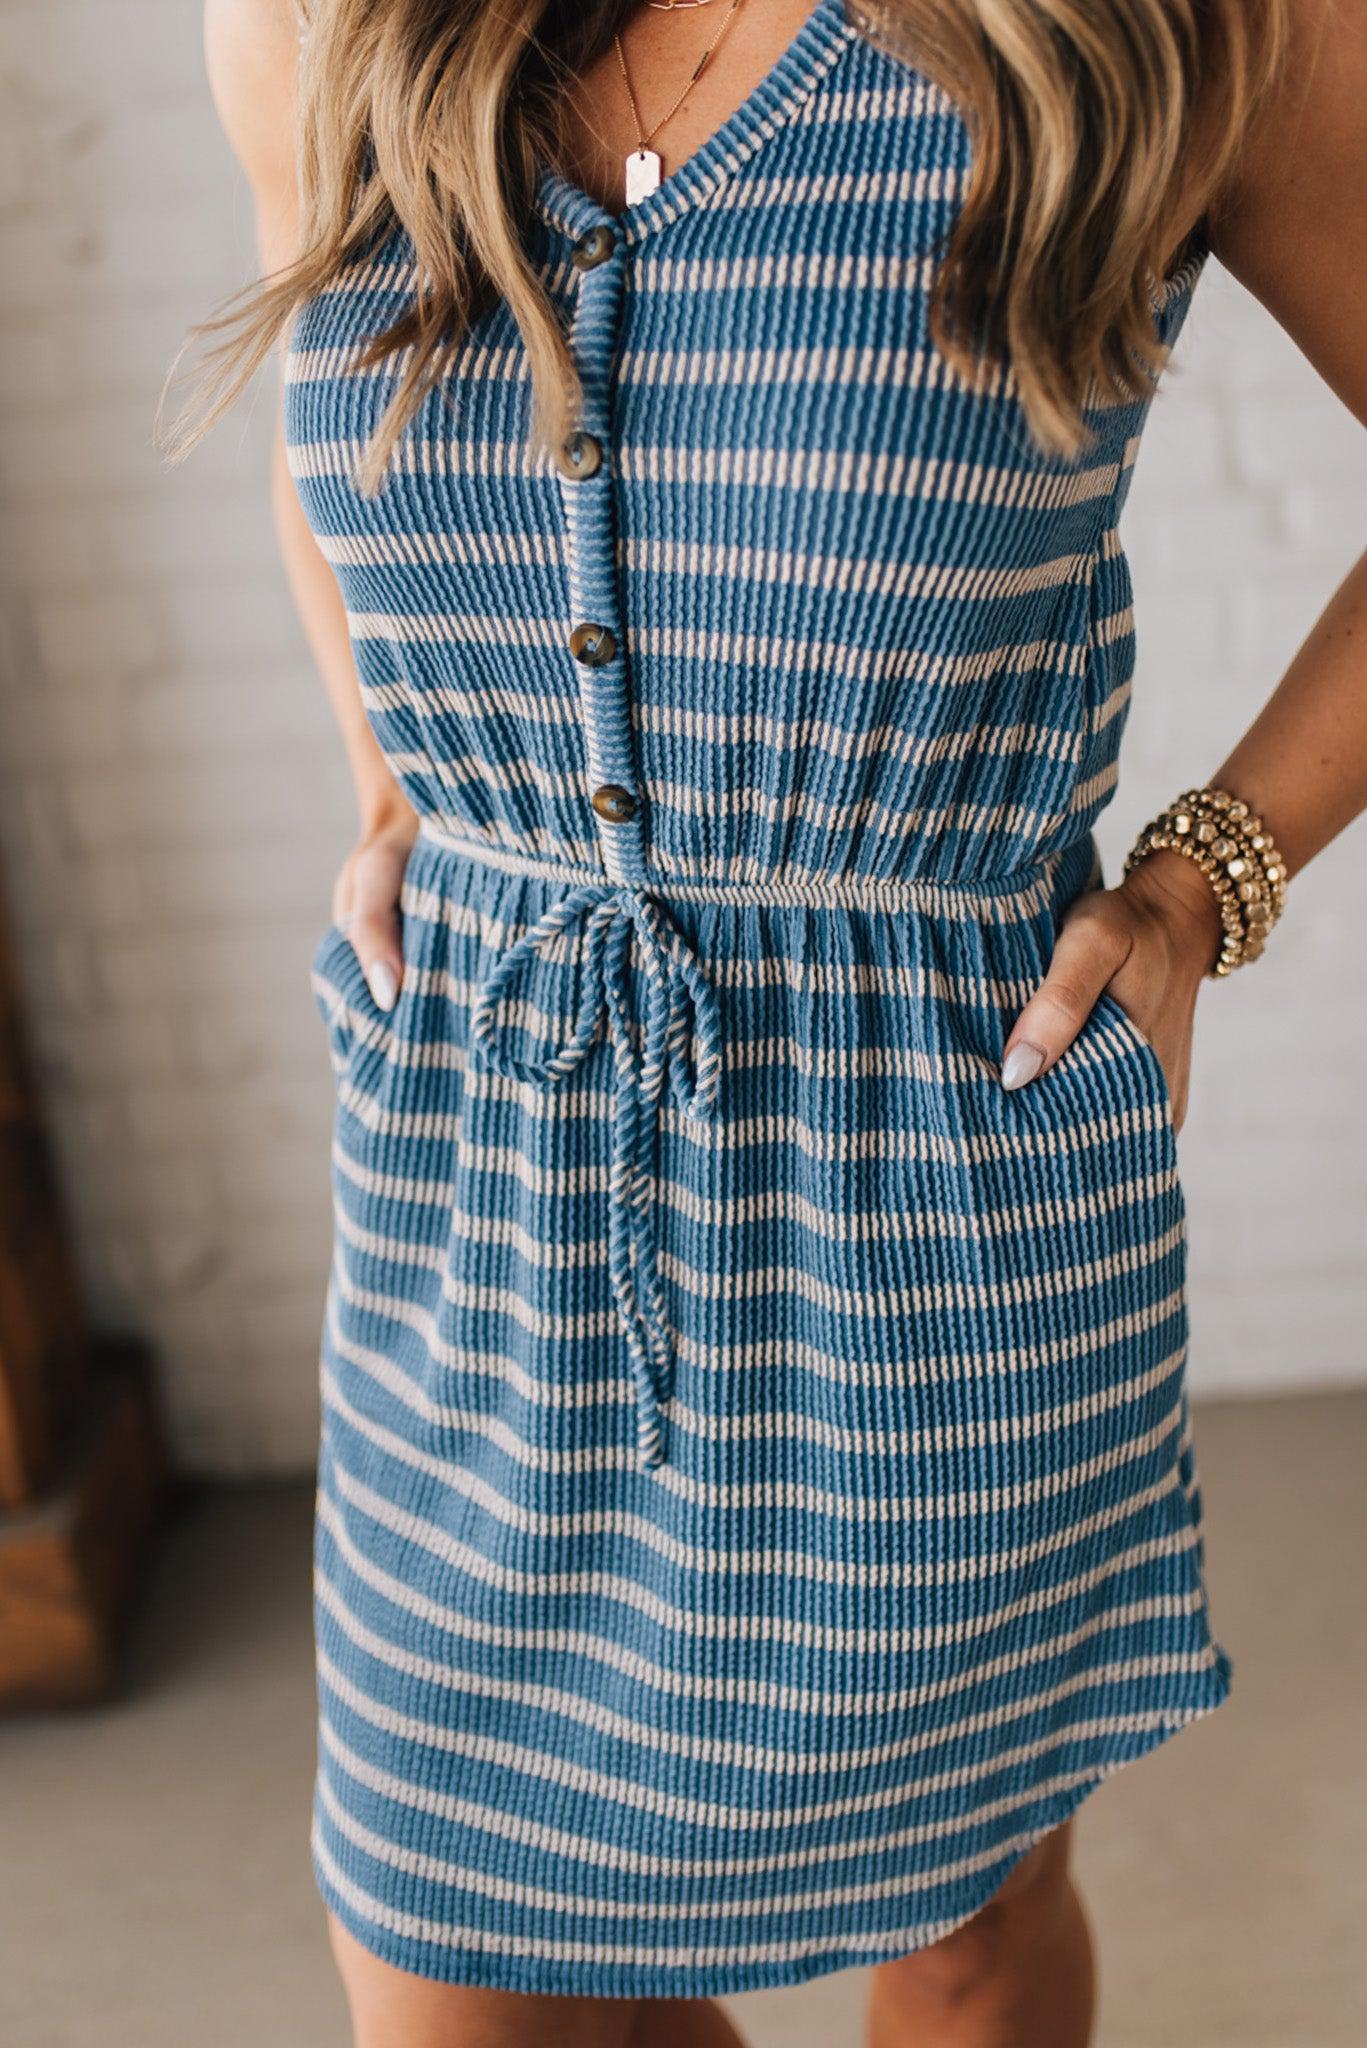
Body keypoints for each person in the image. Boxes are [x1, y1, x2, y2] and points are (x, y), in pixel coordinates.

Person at [187, 1, 1367, 2042]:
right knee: (452, 1959)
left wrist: (1204, 880)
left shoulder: (1174, 24)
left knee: (964, 1936)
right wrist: (399, 779)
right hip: (478, 1196)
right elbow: (332, 436)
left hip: (927, 1208)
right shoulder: (312, 20)